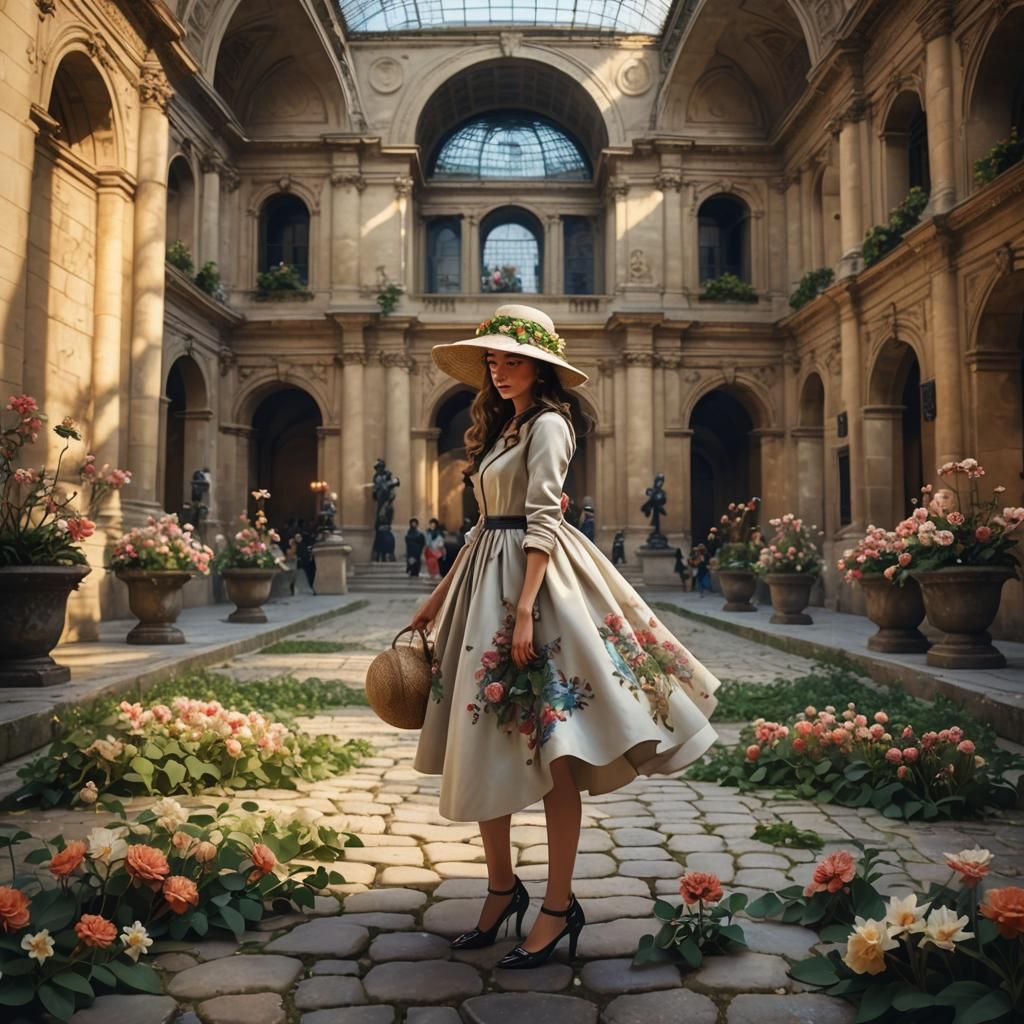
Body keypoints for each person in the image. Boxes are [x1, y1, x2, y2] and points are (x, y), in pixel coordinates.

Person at [406, 303, 720, 970]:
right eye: (492, 359)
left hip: (534, 585)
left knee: (557, 754)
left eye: (512, 358)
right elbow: (483, 526)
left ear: (541, 366)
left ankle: (556, 905)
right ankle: (500, 891)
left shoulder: (551, 423)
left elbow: (542, 517)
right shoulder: (502, 428)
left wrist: (524, 611)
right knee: (478, 743)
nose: (499, 370)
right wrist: (434, 600)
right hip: (482, 580)